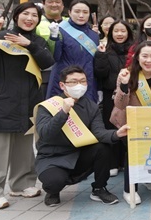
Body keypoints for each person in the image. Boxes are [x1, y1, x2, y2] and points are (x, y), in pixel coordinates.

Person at [0, 3, 55, 210]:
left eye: (34, 15)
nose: (30, 18)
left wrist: (29, 45)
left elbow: (47, 62)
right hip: (3, 100)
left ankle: (22, 183)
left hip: (30, 101)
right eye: (25, 14)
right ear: (16, 16)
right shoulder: (3, 37)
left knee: (24, 147)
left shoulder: (37, 41)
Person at [35, 66, 130, 207]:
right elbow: (45, 134)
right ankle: (53, 191)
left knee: (103, 147)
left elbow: (99, 133)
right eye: (73, 82)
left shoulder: (91, 106)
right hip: (53, 157)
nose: (79, 85)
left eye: (83, 81)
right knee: (54, 182)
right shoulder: (48, 106)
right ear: (62, 85)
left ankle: (99, 188)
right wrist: (63, 112)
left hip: (78, 155)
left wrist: (116, 133)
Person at [113, 41, 151, 204]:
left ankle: (147, 178)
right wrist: (124, 86)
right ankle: (129, 189)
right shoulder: (126, 74)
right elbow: (120, 105)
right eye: (144, 56)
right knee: (132, 153)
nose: (149, 60)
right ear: (137, 58)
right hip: (128, 122)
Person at [94, 19, 134, 176]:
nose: (119, 34)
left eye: (123, 31)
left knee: (129, 127)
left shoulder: (134, 50)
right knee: (112, 126)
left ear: (128, 33)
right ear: (110, 33)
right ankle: (113, 162)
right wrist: (101, 55)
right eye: (116, 31)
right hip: (110, 95)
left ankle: (126, 161)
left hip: (129, 95)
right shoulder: (104, 50)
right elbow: (100, 73)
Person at [47, 0, 99, 102]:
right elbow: (55, 56)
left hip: (86, 82)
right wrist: (54, 37)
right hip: (65, 82)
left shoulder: (94, 35)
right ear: (70, 12)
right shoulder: (60, 30)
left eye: (85, 12)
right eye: (77, 11)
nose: (81, 15)